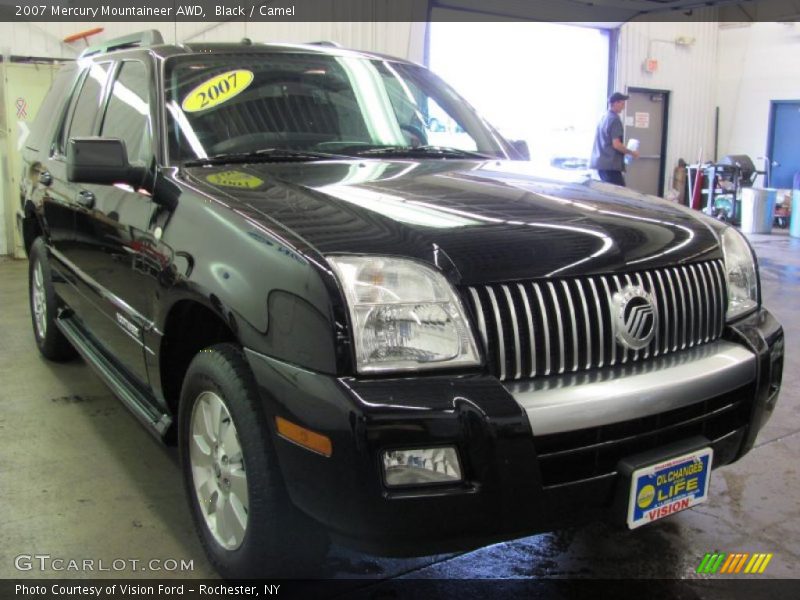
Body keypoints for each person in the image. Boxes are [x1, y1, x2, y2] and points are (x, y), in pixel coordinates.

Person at [590, 92, 639, 186]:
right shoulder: (614, 119)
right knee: (620, 195)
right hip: (610, 165)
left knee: (608, 193)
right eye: (622, 103)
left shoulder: (603, 117)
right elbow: (616, 144)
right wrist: (631, 152)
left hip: (601, 165)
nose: (623, 107)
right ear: (615, 103)